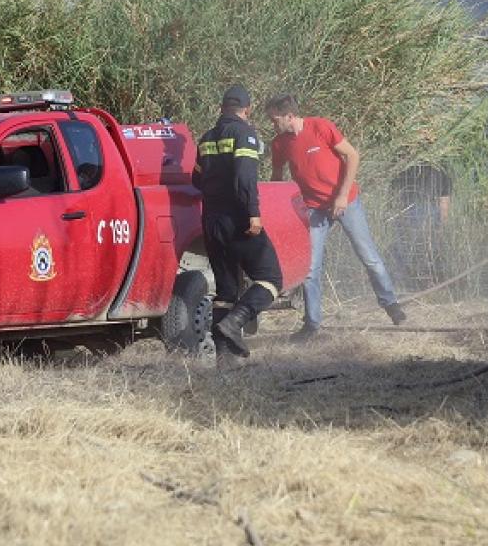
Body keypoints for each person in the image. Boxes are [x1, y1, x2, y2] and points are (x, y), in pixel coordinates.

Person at [265, 95, 405, 340]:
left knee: (368, 256)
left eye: (275, 120)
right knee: (310, 267)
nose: (272, 125)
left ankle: (391, 304)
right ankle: (312, 324)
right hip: (313, 208)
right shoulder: (279, 144)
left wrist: (341, 196)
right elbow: (277, 178)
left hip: (346, 201)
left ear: (289, 116)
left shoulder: (320, 126)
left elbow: (352, 156)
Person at [193, 84, 284, 361]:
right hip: (238, 219)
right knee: (270, 278)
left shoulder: (206, 138)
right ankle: (234, 323)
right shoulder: (245, 134)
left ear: (221, 109)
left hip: (211, 221)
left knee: (226, 291)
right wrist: (252, 213)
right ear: (247, 109)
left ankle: (225, 361)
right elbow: (245, 178)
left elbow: (196, 179)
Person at [389, 163, 453, 290]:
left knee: (405, 250)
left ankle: (404, 284)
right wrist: (441, 226)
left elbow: (393, 197)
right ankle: (427, 283)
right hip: (421, 214)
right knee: (428, 251)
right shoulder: (441, 169)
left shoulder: (404, 166)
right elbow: (444, 202)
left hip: (409, 212)